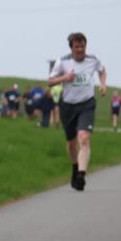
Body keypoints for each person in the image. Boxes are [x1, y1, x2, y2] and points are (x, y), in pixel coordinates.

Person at [48, 32, 107, 191]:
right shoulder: (63, 61)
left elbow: (102, 70)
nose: (80, 49)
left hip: (87, 104)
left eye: (82, 46)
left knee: (84, 138)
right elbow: (50, 81)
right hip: (67, 105)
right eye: (77, 46)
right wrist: (65, 78)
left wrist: (103, 84)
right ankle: (75, 167)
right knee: (71, 143)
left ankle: (81, 174)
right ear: (71, 47)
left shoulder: (93, 60)